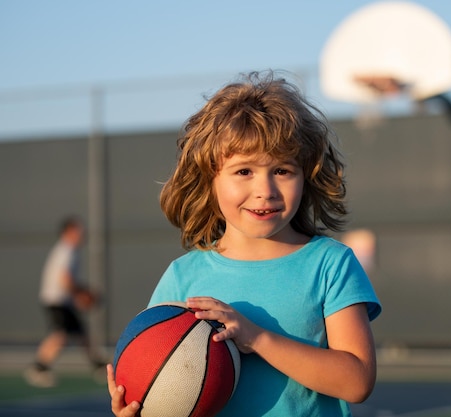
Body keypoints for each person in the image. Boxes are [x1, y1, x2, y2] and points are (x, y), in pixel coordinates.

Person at [107, 71, 381, 417]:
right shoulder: (183, 277)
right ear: (210, 180)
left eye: (282, 170)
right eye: (243, 172)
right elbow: (161, 379)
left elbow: (357, 382)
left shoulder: (331, 264)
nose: (265, 190)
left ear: (305, 176)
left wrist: (257, 338)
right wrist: (138, 404)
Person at [24, 216, 105, 387]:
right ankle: (38, 368)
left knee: (82, 334)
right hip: (56, 301)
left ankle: (98, 366)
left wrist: (79, 293)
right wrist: (80, 294)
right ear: (68, 232)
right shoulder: (66, 250)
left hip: (62, 301)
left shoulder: (69, 250)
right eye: (78, 230)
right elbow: (64, 279)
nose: (82, 233)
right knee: (60, 336)